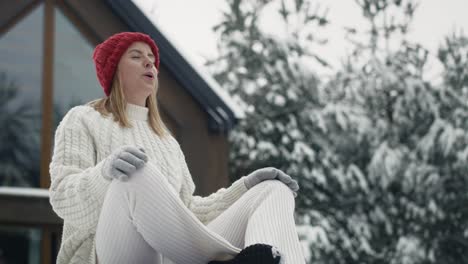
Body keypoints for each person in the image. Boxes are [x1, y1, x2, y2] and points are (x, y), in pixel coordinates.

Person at [49, 31, 306, 264]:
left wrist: (245, 187)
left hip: (173, 255)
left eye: (151, 58)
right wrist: (105, 173)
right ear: (114, 70)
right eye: (136, 57)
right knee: (134, 173)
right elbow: (62, 197)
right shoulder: (83, 119)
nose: (149, 63)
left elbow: (186, 213)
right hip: (108, 253)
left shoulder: (165, 140)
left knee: (273, 190)